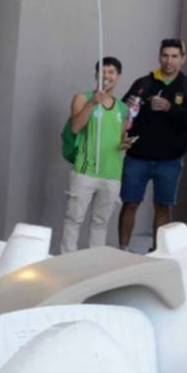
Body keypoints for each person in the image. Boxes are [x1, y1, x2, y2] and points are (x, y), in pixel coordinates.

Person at [119, 39, 187, 249]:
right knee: (130, 203)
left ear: (183, 59)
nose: (169, 61)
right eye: (165, 55)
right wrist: (129, 106)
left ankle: (159, 251)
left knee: (163, 206)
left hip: (170, 160)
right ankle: (123, 250)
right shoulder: (143, 83)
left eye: (174, 56)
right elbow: (122, 112)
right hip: (137, 157)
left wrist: (171, 108)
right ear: (159, 56)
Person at [62, 57, 128, 253]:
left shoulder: (122, 107)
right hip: (86, 170)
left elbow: (120, 138)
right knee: (74, 219)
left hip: (112, 174)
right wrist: (92, 103)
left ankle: (94, 262)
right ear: (96, 75)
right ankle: (67, 261)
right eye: (103, 72)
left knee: (101, 223)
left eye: (111, 72)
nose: (106, 76)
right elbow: (75, 127)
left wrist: (125, 143)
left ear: (118, 76)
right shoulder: (82, 98)